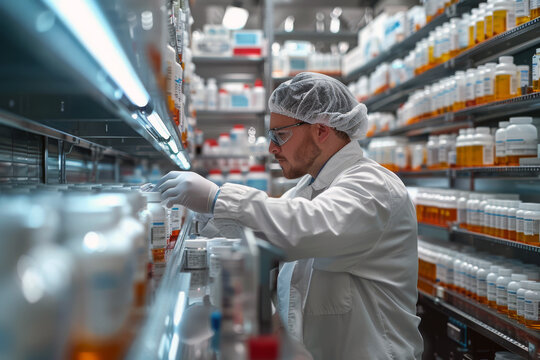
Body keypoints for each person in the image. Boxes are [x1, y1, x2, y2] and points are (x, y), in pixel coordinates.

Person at [157, 72, 423, 359]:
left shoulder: (374, 187)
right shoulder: (309, 188)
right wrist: (200, 215)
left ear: (321, 130)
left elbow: (300, 228)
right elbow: (265, 232)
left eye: (280, 135)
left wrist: (216, 197)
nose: (272, 148)